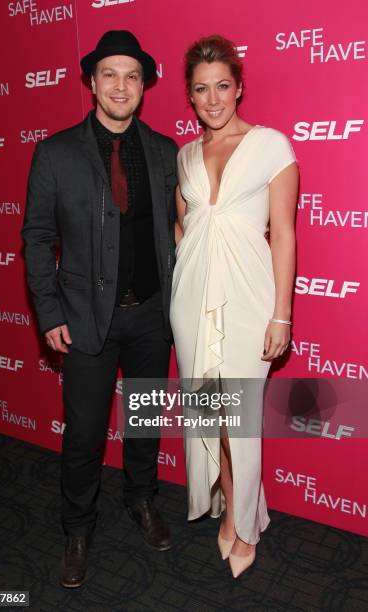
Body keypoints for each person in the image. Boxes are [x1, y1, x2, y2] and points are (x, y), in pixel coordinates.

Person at [21, 30, 178, 588]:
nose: (120, 85)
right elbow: (37, 236)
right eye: (109, 73)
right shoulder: (56, 152)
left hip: (151, 318)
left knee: (142, 420)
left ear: (143, 86)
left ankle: (141, 500)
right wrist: (49, 310)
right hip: (85, 318)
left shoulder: (165, 152)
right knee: (85, 433)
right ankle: (78, 528)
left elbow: (178, 232)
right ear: (91, 83)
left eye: (131, 75)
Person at [170, 35, 298, 578]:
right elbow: (183, 224)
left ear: (239, 87)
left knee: (239, 417)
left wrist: (282, 314)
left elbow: (286, 234)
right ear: (191, 97)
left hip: (249, 299)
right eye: (202, 90)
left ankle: (242, 527)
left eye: (223, 86)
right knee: (210, 412)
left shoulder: (272, 146)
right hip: (193, 295)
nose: (214, 99)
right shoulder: (184, 155)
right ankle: (233, 497)